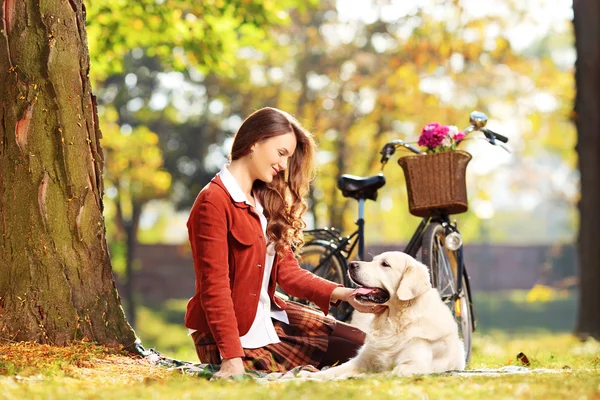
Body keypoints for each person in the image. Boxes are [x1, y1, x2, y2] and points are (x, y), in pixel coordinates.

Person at [184, 107, 386, 378]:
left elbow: (288, 273)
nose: (283, 165)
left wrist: (346, 294)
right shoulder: (213, 201)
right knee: (291, 381)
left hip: (270, 316)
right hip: (230, 336)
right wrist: (231, 358)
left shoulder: (264, 200)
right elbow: (214, 288)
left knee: (364, 347)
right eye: (281, 154)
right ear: (255, 142)